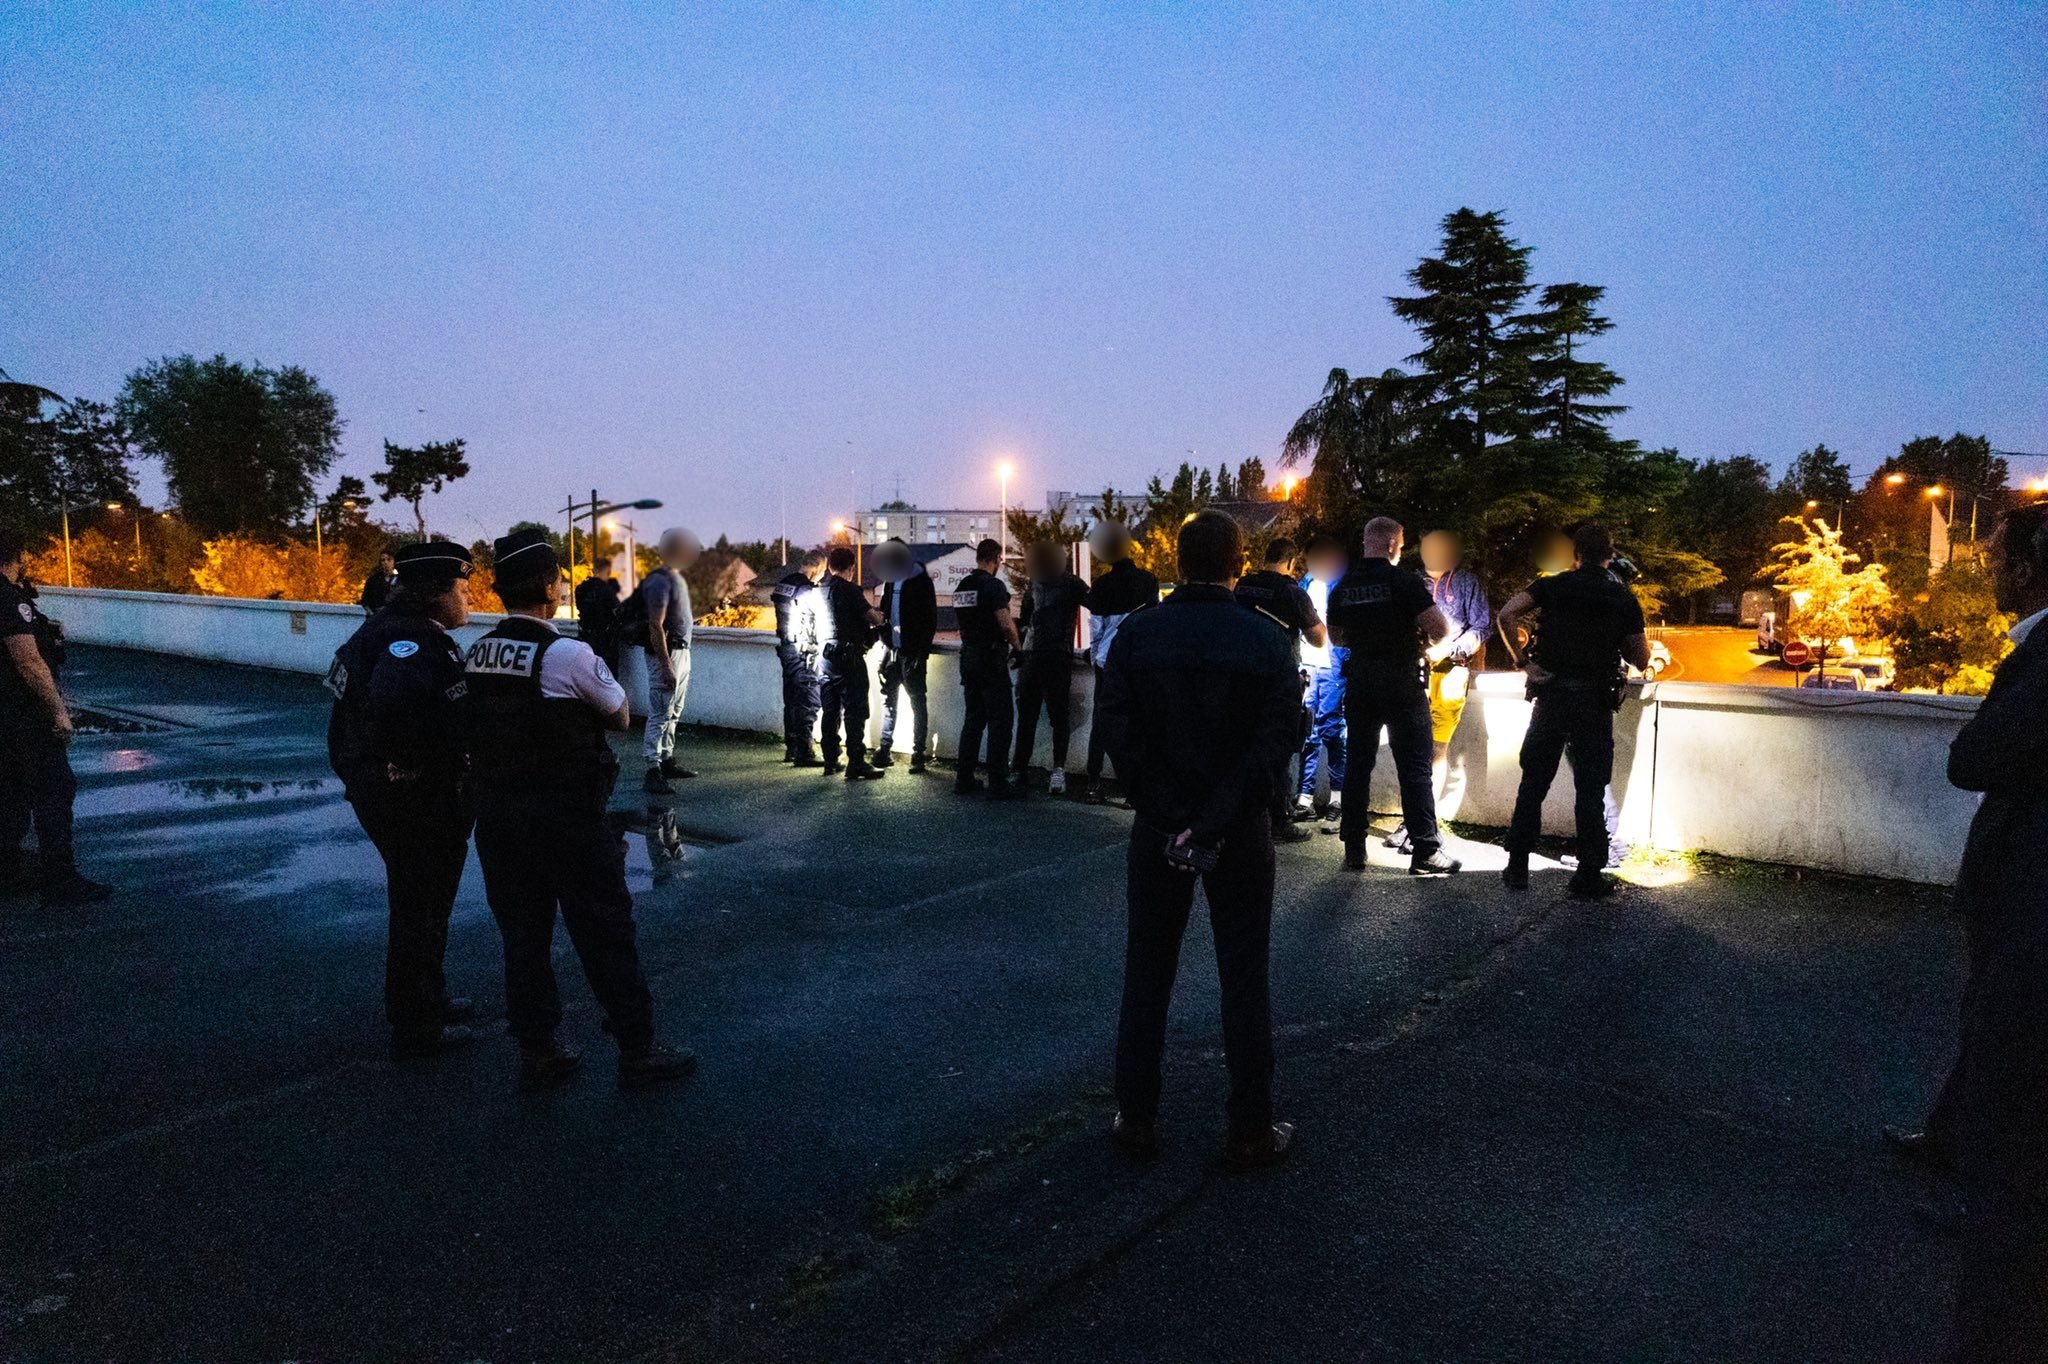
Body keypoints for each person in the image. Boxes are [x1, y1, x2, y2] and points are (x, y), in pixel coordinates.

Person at [1096, 509, 1300, 1171]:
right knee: (1244, 975)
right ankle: (1250, 1126)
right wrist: (1213, 819)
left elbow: (1120, 738)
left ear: (1178, 561)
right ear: (1238, 562)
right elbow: (1273, 745)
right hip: (1238, 832)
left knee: (1147, 972)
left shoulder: (1137, 634)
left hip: (1158, 829)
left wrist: (1170, 814)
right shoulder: (1268, 640)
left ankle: (1136, 1117)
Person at [462, 528, 695, 1092]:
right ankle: (638, 1049)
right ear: (547, 585)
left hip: (499, 818)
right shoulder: (566, 653)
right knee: (605, 931)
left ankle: (538, 1050)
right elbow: (618, 714)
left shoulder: (478, 651)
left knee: (523, 937)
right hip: (566, 817)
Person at [1914, 504, 2048, 1359]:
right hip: (2019, 902)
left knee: (2015, 1100)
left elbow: (1974, 759)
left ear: (2035, 563)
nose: (1989, 566)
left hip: (2030, 910)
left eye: (1999, 553)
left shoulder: (2041, 656)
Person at [325, 540, 479, 1060]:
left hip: (390, 792)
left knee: (421, 902)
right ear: (435, 592)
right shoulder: (408, 643)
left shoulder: (377, 632)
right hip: (416, 800)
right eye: (463, 589)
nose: (469, 598)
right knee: (421, 905)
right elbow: (394, 711)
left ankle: (427, 1000)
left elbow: (342, 716)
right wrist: (416, 769)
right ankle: (417, 1026)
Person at [1495, 523, 1650, 899]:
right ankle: (1588, 875)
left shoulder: (1551, 585)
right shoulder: (1622, 597)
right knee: (1590, 787)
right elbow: (1640, 658)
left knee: (1533, 782)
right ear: (1609, 555)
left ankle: (1517, 866)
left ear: (1575, 555)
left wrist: (1524, 663)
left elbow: (1506, 614)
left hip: (1551, 697)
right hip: (1593, 702)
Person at [1325, 517, 1460, 876]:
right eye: (1400, 544)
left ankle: (1354, 848)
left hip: (1361, 682)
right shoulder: (1404, 581)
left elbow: (1337, 637)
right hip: (1401, 681)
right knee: (1415, 767)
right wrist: (1421, 642)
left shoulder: (1345, 585)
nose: (1401, 550)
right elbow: (1440, 628)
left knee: (1357, 765)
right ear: (1390, 545)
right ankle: (1426, 851)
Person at [0, 533, 110, 905]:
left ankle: (9, 871)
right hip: (23, 715)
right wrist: (58, 711)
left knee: (11, 792)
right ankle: (60, 879)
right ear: (11, 559)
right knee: (54, 789)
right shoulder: (9, 600)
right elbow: (28, 661)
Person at [1385, 530, 1492, 854]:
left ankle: (1423, 824)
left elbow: (1482, 626)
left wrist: (1450, 649)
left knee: (1435, 750)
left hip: (1449, 674)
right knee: (1411, 750)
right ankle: (1413, 821)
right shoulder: (1409, 582)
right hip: (1410, 671)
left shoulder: (1466, 583)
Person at [1233, 538, 1327, 845]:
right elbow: (1318, 639)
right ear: (1290, 562)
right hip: (1280, 678)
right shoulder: (1293, 593)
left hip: (1242, 676)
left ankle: (1242, 811)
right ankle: (1279, 819)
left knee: (1242, 744)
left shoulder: (1243, 586)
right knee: (1280, 748)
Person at [1081, 522, 1160, 805]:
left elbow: (1096, 627)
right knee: (1139, 723)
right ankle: (1132, 790)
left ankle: (1093, 783)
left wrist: (1094, 658)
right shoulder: (1148, 582)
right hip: (1140, 661)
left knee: (1101, 723)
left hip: (1107, 662)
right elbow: (1154, 622)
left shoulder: (1102, 586)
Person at [1012, 540, 1088, 794]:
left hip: (1038, 656)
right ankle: (1056, 771)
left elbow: (1024, 621)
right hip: (1053, 656)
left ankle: (1022, 769)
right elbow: (1098, 605)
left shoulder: (1040, 584)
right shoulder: (1069, 583)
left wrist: (1019, 648)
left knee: (1031, 717)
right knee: (1056, 716)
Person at [952, 538, 1022, 799]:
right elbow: (1005, 624)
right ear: (996, 559)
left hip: (968, 658)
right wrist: (1018, 647)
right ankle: (998, 781)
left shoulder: (962, 587)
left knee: (973, 720)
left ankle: (964, 777)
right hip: (990, 660)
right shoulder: (993, 586)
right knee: (1001, 720)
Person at [814, 546, 884, 781]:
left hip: (826, 657)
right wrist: (880, 618)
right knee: (855, 710)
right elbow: (872, 617)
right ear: (851, 568)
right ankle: (856, 763)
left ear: (829, 566)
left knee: (830, 709)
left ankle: (831, 760)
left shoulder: (821, 590)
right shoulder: (849, 590)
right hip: (848, 656)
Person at [1294, 536, 1350, 828]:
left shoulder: (1341, 585)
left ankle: (1337, 799)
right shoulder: (1303, 584)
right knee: (1308, 732)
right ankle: (1304, 797)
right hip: (1308, 667)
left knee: (1332, 731)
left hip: (1333, 668)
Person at [640, 528, 701, 794]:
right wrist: (666, 665)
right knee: (660, 713)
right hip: (669, 654)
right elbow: (655, 624)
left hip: (681, 651)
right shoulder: (660, 581)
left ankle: (666, 760)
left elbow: (679, 619)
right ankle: (652, 769)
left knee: (673, 711)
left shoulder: (676, 579)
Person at [874, 538, 938, 773]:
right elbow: (884, 614)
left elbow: (930, 618)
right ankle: (884, 748)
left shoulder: (920, 579)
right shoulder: (890, 581)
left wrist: (920, 653)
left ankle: (918, 753)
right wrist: (885, 649)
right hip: (894, 652)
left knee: (916, 702)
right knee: (890, 702)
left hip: (911, 654)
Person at [770, 550, 826, 766]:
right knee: (808, 701)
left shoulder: (783, 584)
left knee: (791, 700)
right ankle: (805, 753)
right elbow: (819, 618)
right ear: (818, 567)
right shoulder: (807, 589)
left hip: (786, 648)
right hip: (804, 652)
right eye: (822, 571)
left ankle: (791, 749)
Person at [572, 556, 623, 675]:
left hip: (586, 635)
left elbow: (580, 607)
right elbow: (618, 612)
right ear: (608, 571)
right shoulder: (607, 589)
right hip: (606, 640)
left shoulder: (581, 588)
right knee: (608, 674)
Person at [358, 550, 397, 615]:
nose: (386, 562)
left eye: (389, 560)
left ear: (394, 562)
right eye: (383, 560)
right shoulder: (373, 580)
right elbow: (365, 601)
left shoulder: (398, 580)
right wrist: (371, 614)